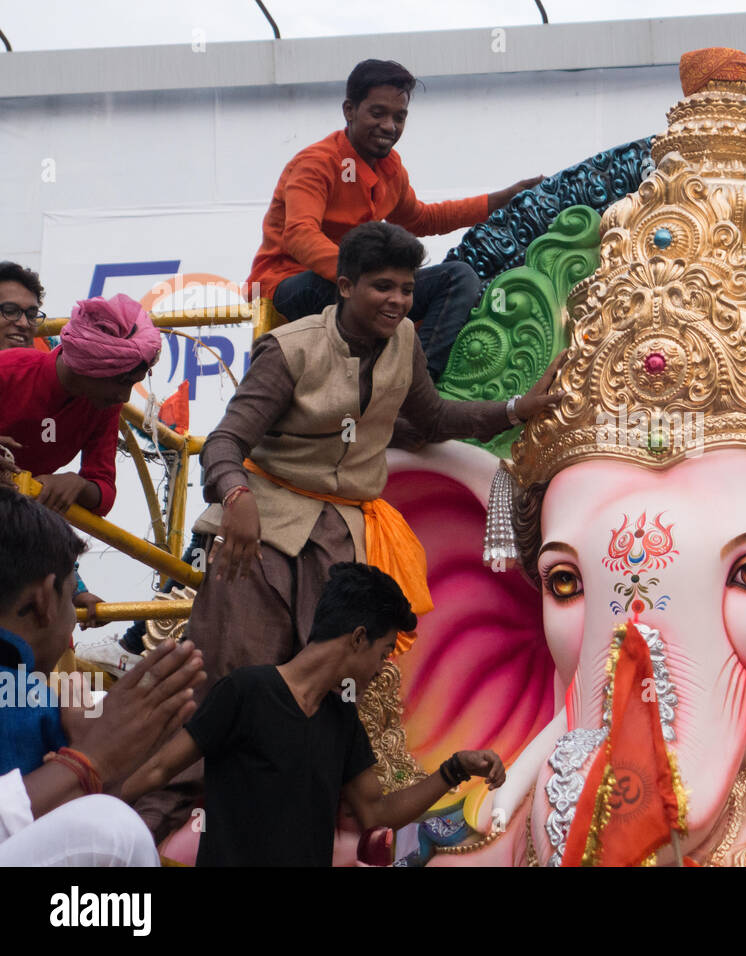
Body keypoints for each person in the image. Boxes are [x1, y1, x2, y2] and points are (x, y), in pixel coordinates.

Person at [132, 221, 560, 838]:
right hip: (264, 535)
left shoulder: (405, 341)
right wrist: (238, 496)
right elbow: (225, 441)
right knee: (235, 682)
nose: (397, 301)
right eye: (382, 287)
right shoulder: (291, 349)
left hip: (342, 542)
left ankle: (318, 820)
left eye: (408, 290)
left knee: (334, 693)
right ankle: (160, 824)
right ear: (345, 285)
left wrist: (518, 409)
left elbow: (431, 418)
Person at [123, 562, 505, 866]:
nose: (383, 667)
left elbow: (375, 813)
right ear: (358, 638)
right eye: (384, 651)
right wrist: (81, 803)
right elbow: (158, 770)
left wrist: (454, 768)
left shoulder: (343, 721)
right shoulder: (245, 692)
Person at [248, 58, 543, 381]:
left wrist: (499, 200)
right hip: (294, 284)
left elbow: (423, 219)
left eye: (399, 117)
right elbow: (301, 235)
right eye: (378, 113)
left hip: (361, 287)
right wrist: (363, 279)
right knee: (321, 286)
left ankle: (416, 384)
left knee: (459, 277)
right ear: (349, 110)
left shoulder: (391, 168)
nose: (389, 126)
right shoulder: (316, 163)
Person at [0, 486, 205, 866]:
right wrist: (85, 759)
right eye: (71, 594)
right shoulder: (39, 702)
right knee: (114, 831)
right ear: (44, 600)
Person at [0, 263, 106, 624]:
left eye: (31, 313)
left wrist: (73, 586)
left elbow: (30, 511)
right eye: (9, 310)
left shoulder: (71, 387)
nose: (23, 322)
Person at [0, 293, 161, 516]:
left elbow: (103, 491)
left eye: (133, 384)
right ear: (87, 364)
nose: (124, 398)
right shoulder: (7, 371)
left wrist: (78, 485)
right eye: (122, 382)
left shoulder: (103, 406)